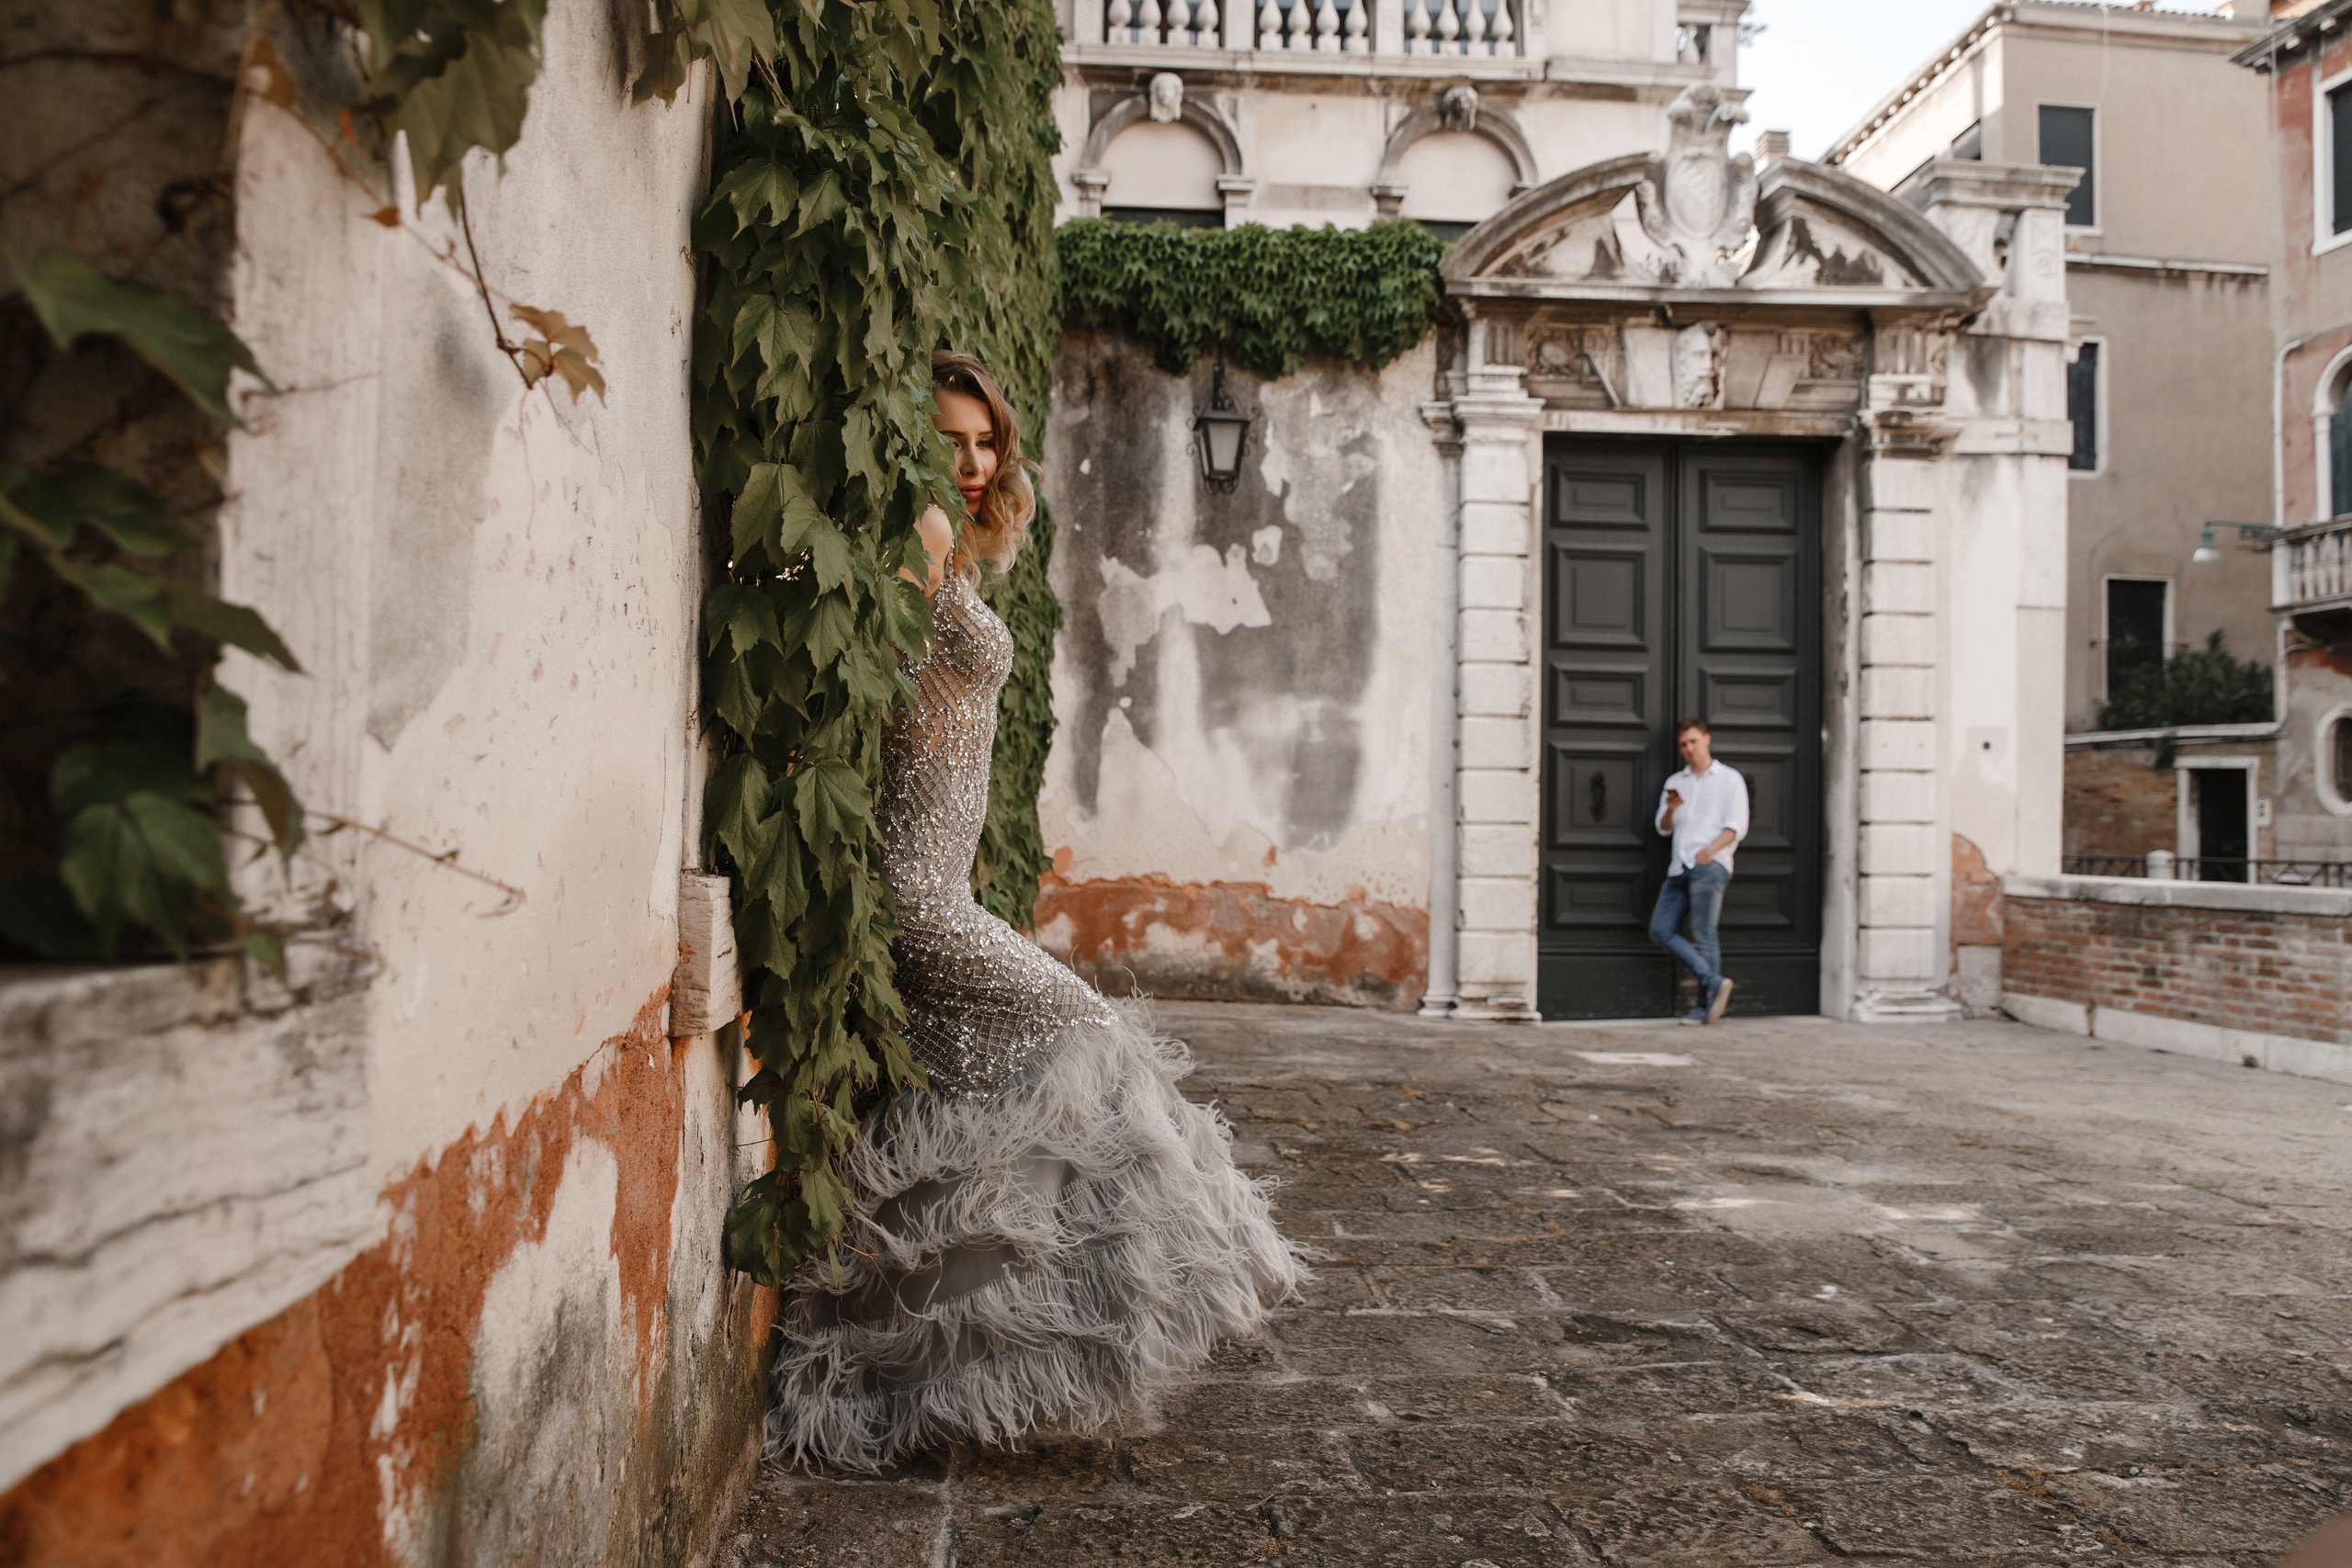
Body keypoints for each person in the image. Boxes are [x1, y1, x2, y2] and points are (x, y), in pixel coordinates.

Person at [764, 351, 1302, 1472]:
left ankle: (918, 1367)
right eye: (947, 439)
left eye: (983, 442)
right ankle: (1095, 1313)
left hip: (940, 885)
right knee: (1087, 1038)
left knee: (976, 1128)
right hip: (917, 892)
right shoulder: (913, 533)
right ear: (908, 441)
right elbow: (846, 692)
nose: (968, 463)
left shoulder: (953, 544)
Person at [1649, 717, 1747, 1025]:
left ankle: (1705, 1008)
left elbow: (1736, 827)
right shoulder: (1676, 782)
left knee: (1704, 935)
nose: (1689, 748)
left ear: (1707, 739)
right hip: (1679, 867)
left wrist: (1709, 852)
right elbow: (1662, 829)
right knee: (1660, 929)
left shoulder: (1729, 779)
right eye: (1683, 744)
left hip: (1709, 865)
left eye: (1693, 741)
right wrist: (1671, 809)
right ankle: (1712, 980)